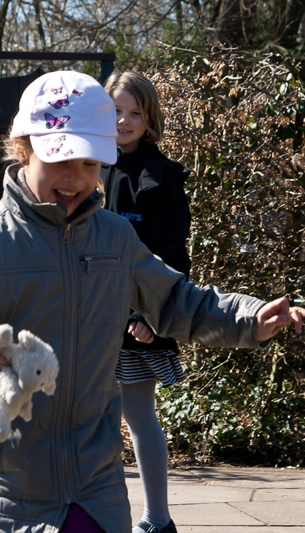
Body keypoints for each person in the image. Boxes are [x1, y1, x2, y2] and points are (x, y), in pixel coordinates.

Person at [0, 70, 305, 533]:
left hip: (93, 483)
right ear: (23, 149)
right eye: (60, 160)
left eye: (90, 164)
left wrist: (248, 317)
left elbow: (176, 298)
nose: (75, 178)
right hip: (1, 487)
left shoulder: (116, 238)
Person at [101, 70, 191, 533]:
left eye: (135, 113)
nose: (124, 120)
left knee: (137, 414)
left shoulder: (163, 178)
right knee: (89, 418)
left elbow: (172, 255)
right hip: (87, 318)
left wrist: (149, 316)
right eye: (116, 110)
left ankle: (157, 519)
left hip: (137, 322)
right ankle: (93, 514)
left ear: (150, 117)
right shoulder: (83, 169)